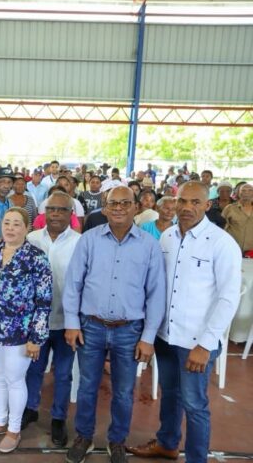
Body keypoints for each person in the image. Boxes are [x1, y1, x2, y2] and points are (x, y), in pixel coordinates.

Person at [127, 182, 242, 463]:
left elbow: (228, 298)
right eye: (182, 201)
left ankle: (196, 458)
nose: (187, 207)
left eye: (195, 202)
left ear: (207, 205)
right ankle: (167, 444)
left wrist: (206, 344)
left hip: (196, 342)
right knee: (170, 394)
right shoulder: (167, 237)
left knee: (194, 404)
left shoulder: (221, 243)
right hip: (166, 336)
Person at [63, 185, 166, 463]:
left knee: (123, 391)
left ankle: (117, 440)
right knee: (87, 386)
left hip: (129, 330)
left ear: (136, 207)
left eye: (125, 203)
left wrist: (148, 337)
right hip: (91, 327)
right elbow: (73, 283)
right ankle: (84, 437)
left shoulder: (149, 245)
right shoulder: (89, 240)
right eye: (113, 203)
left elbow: (156, 293)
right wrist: (72, 323)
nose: (119, 208)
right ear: (105, 208)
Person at [0, 207, 52, 453]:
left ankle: (14, 430)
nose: (10, 228)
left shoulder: (36, 257)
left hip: (21, 333)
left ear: (27, 228)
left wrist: (36, 337)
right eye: (7, 223)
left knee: (15, 380)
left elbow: (44, 300)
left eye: (17, 224)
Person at [23, 192, 81, 447]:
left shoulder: (80, 243)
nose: (55, 214)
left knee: (64, 373)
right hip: (36, 323)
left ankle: (58, 418)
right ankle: (30, 408)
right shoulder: (31, 239)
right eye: (51, 209)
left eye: (61, 209)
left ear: (71, 214)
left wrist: (76, 322)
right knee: (33, 369)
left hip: (67, 322)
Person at [222, 183, 253, 255]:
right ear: (238, 193)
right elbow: (222, 227)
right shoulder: (229, 208)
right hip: (233, 249)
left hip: (251, 252)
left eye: (250, 190)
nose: (246, 193)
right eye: (243, 190)